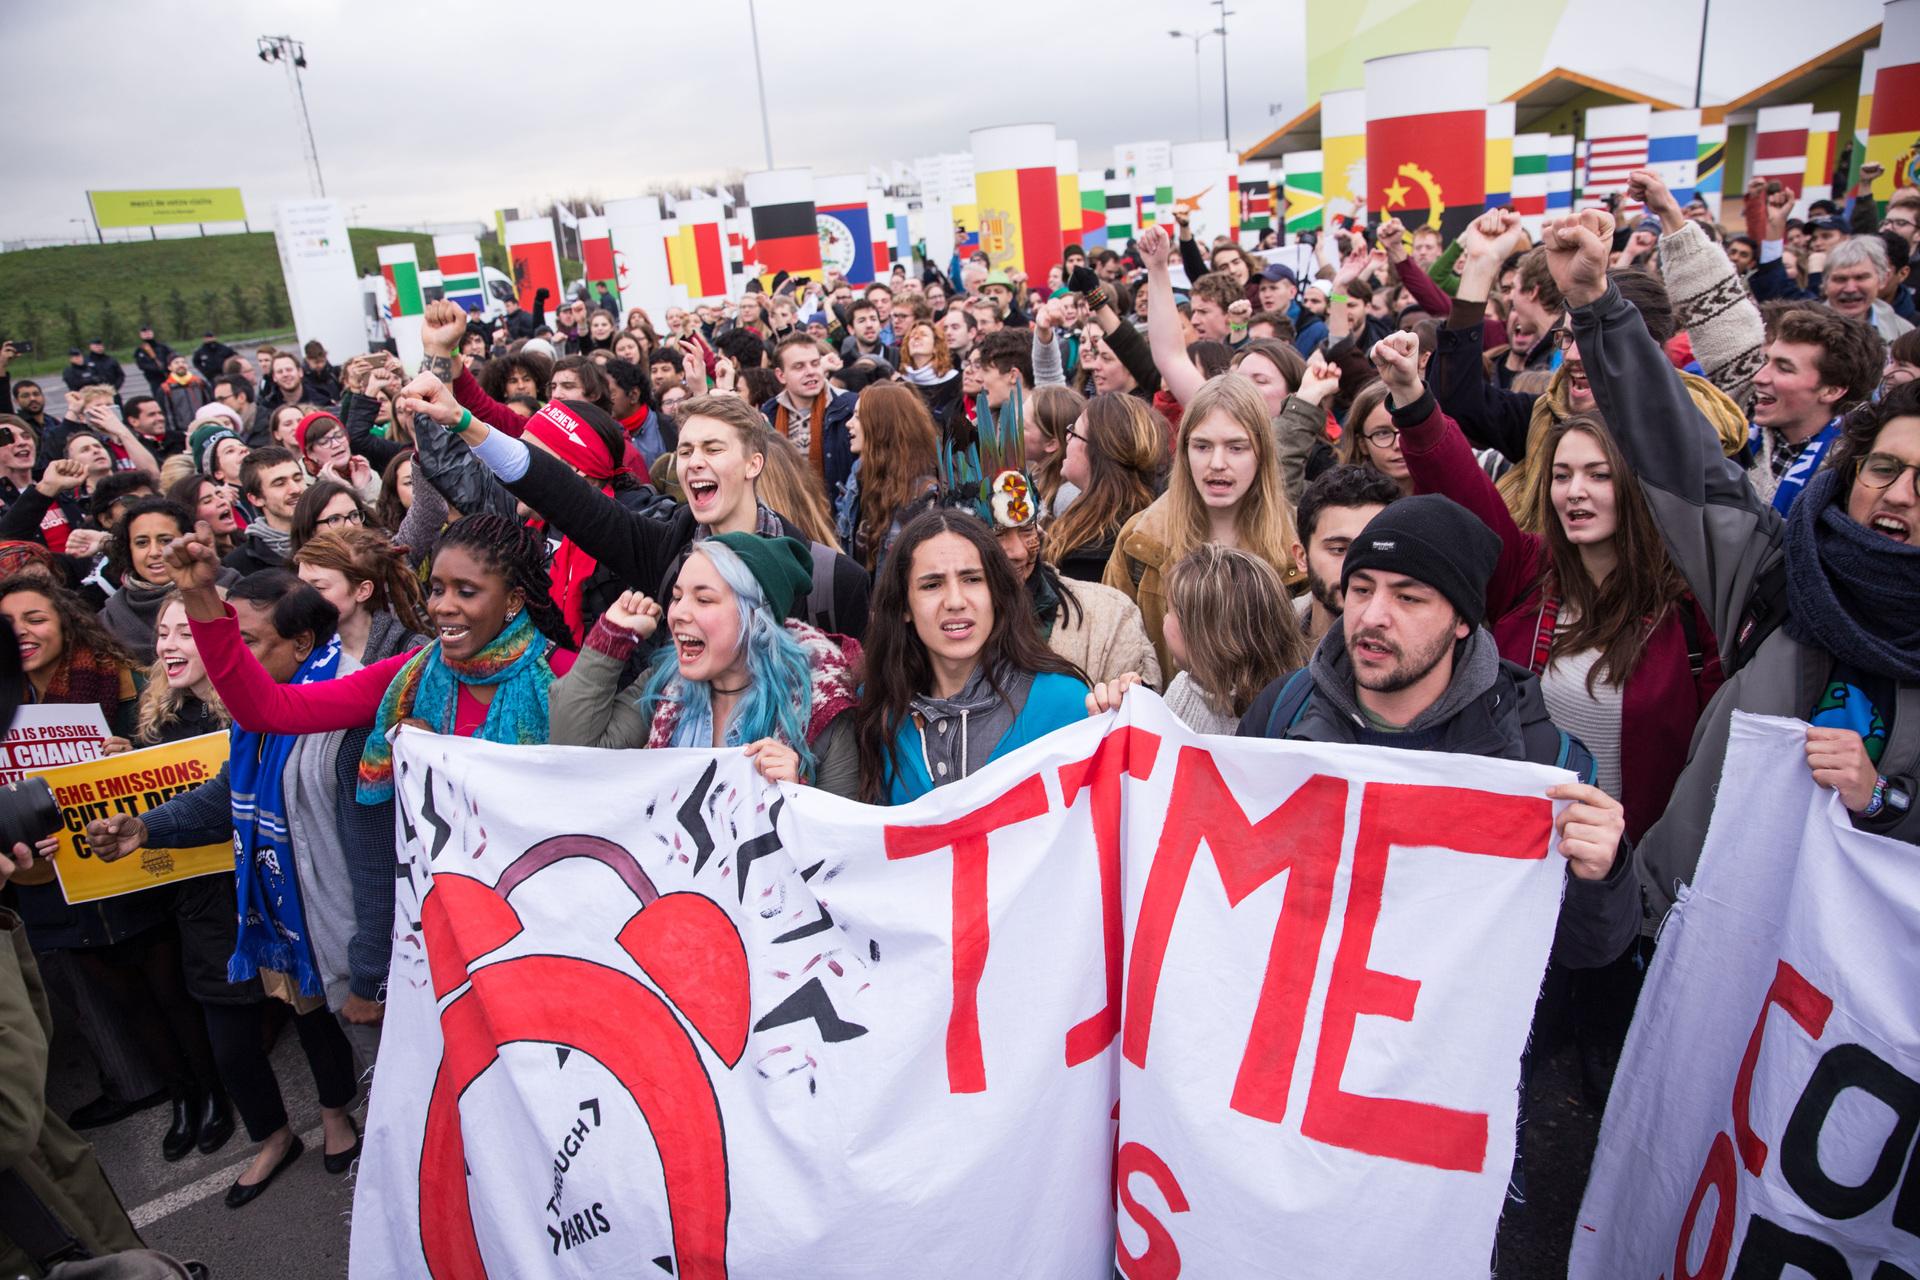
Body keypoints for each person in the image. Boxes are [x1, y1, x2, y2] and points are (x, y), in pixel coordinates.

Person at [1535, 208, 1920, 919]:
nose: (1896, 494)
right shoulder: (1780, 573)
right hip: (1685, 933)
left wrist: (1886, 802)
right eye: (1884, 468)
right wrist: (1595, 305)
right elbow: (1674, 450)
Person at [1237, 493, 1635, 954]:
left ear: (1462, 621)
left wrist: (1601, 877)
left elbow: (1587, 952)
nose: (1372, 616)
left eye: (1408, 598)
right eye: (1362, 589)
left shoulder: (1540, 760)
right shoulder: (1284, 711)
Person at [90, 575, 373, 1206]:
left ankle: (368, 1143)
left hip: (351, 936)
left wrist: (371, 960)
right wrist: (144, 826)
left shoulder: (346, 704)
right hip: (279, 922)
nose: (226, 657)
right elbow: (226, 795)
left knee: (372, 1063)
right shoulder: (261, 713)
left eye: (241, 640)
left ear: (302, 643)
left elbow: (374, 855)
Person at [418, 382, 871, 643]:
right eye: (687, 449)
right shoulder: (664, 550)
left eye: (713, 448)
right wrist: (465, 423)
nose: (694, 461)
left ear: (754, 463)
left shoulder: (833, 581)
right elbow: (563, 494)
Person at [550, 535, 861, 795]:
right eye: (676, 596)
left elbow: (840, 851)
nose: (678, 613)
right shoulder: (663, 685)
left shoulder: (820, 705)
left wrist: (796, 794)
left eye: (703, 600)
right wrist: (610, 640)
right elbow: (573, 752)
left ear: (755, 617)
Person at [853, 509, 1090, 803]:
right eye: (932, 585)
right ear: (904, 607)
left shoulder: (1065, 703)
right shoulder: (877, 710)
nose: (955, 601)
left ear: (996, 593)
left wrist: (1126, 709)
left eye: (972, 579)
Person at [1104, 374, 1301, 676]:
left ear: (1262, 453)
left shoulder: (1297, 546)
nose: (1217, 463)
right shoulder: (1140, 541)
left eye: (1236, 447)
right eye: (1202, 446)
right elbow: (1113, 648)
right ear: (1184, 452)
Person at [1086, 544, 1306, 734]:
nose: (1164, 620)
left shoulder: (1283, 717)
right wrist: (1123, 719)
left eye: (1170, 610)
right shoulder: (1185, 686)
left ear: (1205, 633)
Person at [101, 497, 239, 663]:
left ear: (189, 540)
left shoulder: (235, 590)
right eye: (142, 543)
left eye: (165, 540)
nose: (154, 552)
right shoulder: (109, 619)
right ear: (128, 549)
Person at [1047, 391, 1164, 582]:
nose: (1066, 438)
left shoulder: (1095, 550)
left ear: (1098, 452)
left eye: (1074, 433)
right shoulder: (1138, 508)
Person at [1291, 464, 1401, 643]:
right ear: (1302, 557)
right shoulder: (1266, 641)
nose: (1354, 564)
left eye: (1370, 548)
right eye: (1338, 549)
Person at [837, 382, 940, 572]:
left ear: (882, 426)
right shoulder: (860, 472)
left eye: (858, 417)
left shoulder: (925, 493)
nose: (848, 423)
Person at [763, 334, 857, 503]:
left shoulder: (850, 407)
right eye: (799, 367)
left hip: (838, 515)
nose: (810, 372)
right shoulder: (769, 413)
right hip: (788, 512)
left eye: (815, 363)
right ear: (781, 375)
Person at [224, 447, 308, 575]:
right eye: (280, 483)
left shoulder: (333, 537)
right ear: (256, 499)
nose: (295, 489)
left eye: (297, 479)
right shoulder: (238, 566)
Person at [901, 321, 964, 430]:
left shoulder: (955, 381)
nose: (916, 338)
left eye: (923, 335)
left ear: (936, 347)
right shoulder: (900, 382)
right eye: (912, 336)